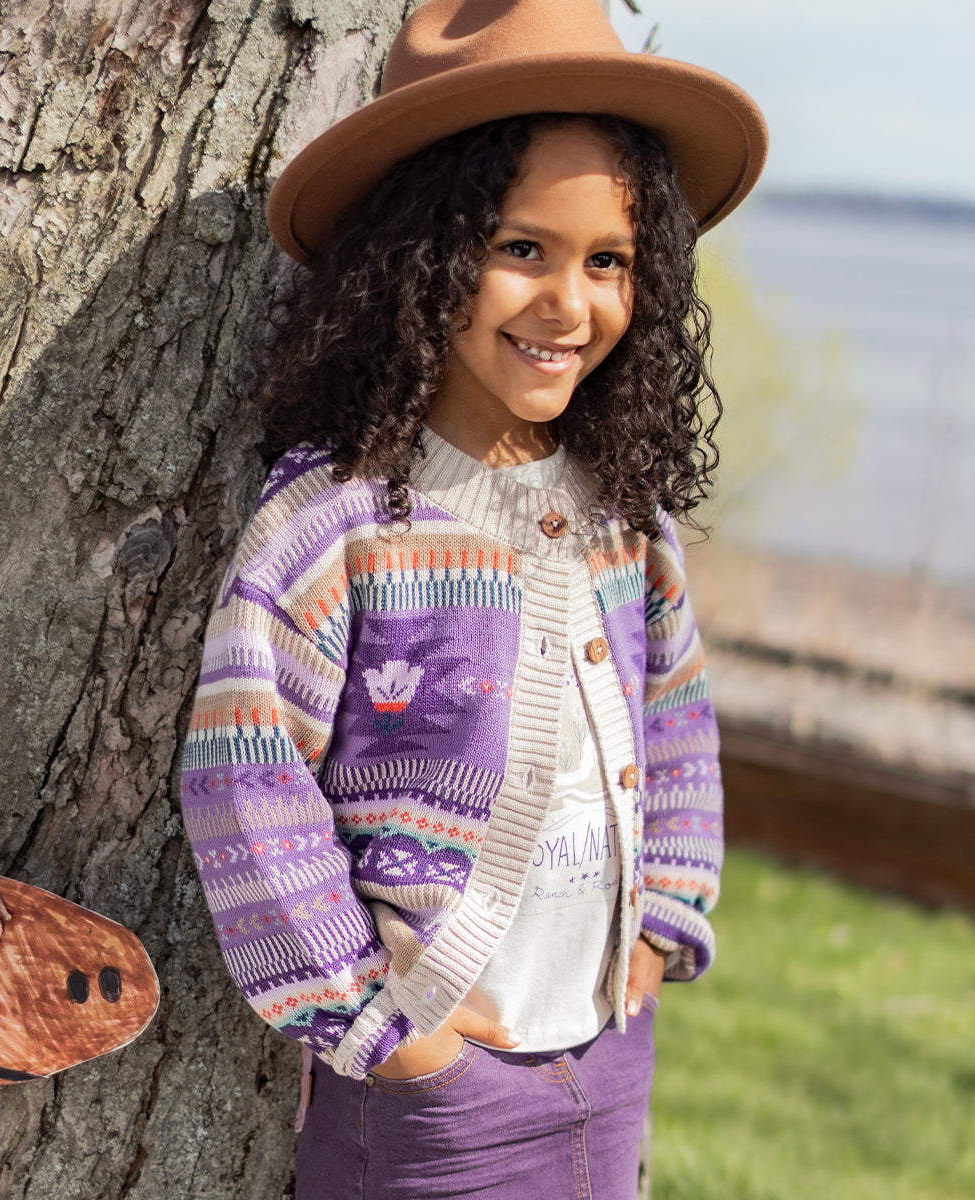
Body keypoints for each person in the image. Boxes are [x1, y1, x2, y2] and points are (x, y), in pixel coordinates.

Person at [179, 0, 766, 1195]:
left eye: (608, 262)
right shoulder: (336, 526)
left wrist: (663, 919)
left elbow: (679, 716)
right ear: (424, 253)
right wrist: (391, 1030)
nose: (568, 305)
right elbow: (246, 774)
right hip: (426, 1087)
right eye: (522, 250)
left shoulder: (625, 515)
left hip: (608, 1048)